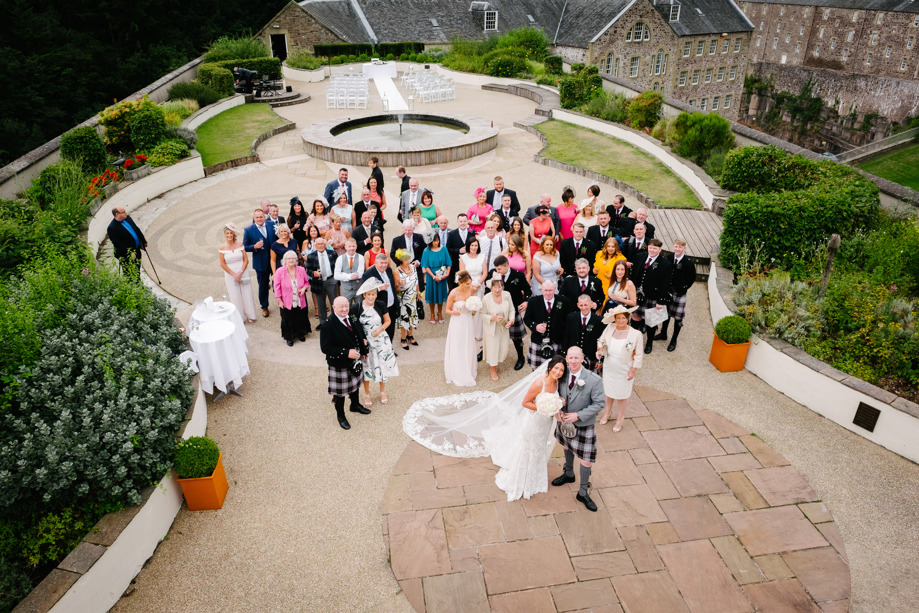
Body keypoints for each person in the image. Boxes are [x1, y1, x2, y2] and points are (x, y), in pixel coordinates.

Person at [402, 356, 565, 500]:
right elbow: (525, 403)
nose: (558, 372)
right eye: (556, 368)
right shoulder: (539, 383)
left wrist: (557, 407)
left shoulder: (557, 383)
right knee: (528, 447)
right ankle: (521, 479)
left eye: (561, 370)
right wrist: (543, 408)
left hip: (545, 425)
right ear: (550, 367)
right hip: (533, 422)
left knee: (539, 448)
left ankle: (535, 478)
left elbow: (554, 402)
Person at [551, 346, 606, 512]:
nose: (573, 361)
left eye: (577, 358)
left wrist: (579, 415)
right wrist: (557, 410)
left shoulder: (594, 379)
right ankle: (568, 473)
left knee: (586, 458)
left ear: (582, 359)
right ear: (566, 359)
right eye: (570, 358)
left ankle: (583, 492)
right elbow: (554, 394)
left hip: (583, 424)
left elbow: (599, 404)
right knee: (566, 446)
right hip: (564, 420)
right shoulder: (561, 374)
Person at [320, 297, 371, 430]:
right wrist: (346, 352)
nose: (344, 309)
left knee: (355, 383)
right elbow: (325, 348)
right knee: (340, 392)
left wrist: (364, 350)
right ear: (333, 307)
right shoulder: (328, 324)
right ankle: (341, 415)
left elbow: (359, 333)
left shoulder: (352, 317)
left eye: (346, 306)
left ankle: (354, 405)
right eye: (341, 307)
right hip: (339, 362)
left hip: (355, 359)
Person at [595, 305, 643, 430]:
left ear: (628, 318)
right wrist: (600, 349)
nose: (620, 321)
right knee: (609, 393)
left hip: (625, 369)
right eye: (618, 318)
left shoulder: (636, 334)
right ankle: (607, 413)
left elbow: (638, 354)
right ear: (615, 319)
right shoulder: (610, 327)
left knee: (622, 395)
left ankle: (620, 420)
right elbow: (601, 340)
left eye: (623, 318)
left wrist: (633, 370)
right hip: (610, 366)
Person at [354, 278, 398, 407]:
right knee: (367, 367)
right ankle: (367, 393)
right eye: (369, 294)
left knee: (382, 364)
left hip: (380, 339)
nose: (371, 297)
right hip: (366, 341)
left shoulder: (380, 304)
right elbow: (355, 324)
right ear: (364, 295)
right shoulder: (357, 307)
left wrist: (381, 328)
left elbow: (388, 321)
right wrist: (361, 338)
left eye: (373, 294)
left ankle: (382, 391)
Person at [488, 255, 531, 370]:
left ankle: (521, 357)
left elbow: (527, 289)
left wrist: (526, 301)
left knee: (516, 337)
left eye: (499, 269)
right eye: (496, 268)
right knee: (493, 333)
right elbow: (488, 290)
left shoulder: (518, 275)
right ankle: (486, 352)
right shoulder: (493, 273)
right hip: (497, 309)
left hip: (513, 310)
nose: (497, 271)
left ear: (507, 266)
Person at [630, 238, 672, 353]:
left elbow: (665, 284)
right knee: (635, 318)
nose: (652, 250)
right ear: (647, 247)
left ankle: (649, 342)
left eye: (655, 248)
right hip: (638, 294)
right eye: (650, 247)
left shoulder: (665, 264)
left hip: (653, 296)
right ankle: (633, 341)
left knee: (651, 322)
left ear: (660, 249)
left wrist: (661, 301)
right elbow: (634, 275)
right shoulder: (640, 257)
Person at [655, 239, 696, 352]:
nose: (677, 249)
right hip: (667, 291)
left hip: (679, 292)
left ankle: (674, 339)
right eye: (676, 246)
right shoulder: (668, 257)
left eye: (680, 247)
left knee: (678, 317)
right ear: (673, 247)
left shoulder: (688, 263)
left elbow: (692, 278)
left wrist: (684, 288)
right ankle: (663, 333)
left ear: (684, 248)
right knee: (666, 313)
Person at [444, 271, 478, 386]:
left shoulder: (471, 290)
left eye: (470, 283)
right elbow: (447, 310)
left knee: (467, 344)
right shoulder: (453, 293)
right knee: (458, 345)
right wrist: (453, 312)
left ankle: (468, 368)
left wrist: (474, 310)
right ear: (460, 282)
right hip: (457, 322)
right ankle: (457, 371)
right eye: (467, 284)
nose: (470, 286)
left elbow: (471, 306)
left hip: (468, 321)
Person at [523, 280, 568, 370]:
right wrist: (535, 326)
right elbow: (527, 319)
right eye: (545, 290)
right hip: (538, 340)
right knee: (536, 368)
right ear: (541, 290)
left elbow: (567, 321)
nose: (548, 293)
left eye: (550, 290)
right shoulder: (533, 301)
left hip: (556, 340)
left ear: (555, 289)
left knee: (555, 367)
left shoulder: (563, 301)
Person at [218, 222, 257, 323]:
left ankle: (250, 315)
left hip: (243, 271)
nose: (229, 235)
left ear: (234, 234)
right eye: (227, 233)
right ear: (225, 235)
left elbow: (246, 260)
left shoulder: (240, 244)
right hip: (230, 275)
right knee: (235, 295)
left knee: (247, 293)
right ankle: (240, 317)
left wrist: (240, 272)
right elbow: (222, 264)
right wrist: (233, 274)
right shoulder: (222, 247)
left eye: (231, 233)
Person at [243, 208, 277, 317]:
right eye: (257, 217)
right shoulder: (248, 230)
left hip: (274, 260)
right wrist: (254, 246)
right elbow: (244, 247)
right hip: (260, 263)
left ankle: (283, 302)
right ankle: (264, 306)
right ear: (254, 218)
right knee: (263, 285)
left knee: (278, 282)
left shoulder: (272, 225)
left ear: (264, 217)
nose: (259, 219)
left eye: (261, 217)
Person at [481, 275, 516, 381]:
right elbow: (481, 314)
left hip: (503, 327)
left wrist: (511, 320)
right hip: (492, 329)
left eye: (500, 287)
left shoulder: (507, 295)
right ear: (491, 288)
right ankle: (492, 368)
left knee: (502, 347)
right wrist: (492, 317)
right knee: (493, 349)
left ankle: (496, 363)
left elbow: (512, 309)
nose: (497, 290)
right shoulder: (486, 298)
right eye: (495, 287)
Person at [273, 250, 311, 346]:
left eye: (293, 258)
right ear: (285, 260)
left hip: (300, 299)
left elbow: (307, 283)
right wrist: (279, 300)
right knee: (288, 318)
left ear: (296, 259)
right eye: (288, 258)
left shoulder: (301, 269)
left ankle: (301, 334)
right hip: (286, 300)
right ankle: (289, 337)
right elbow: (276, 287)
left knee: (300, 316)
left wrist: (304, 289)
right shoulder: (279, 271)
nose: (291, 260)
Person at [361, 252, 399, 340]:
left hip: (391, 306)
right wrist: (378, 289)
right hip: (379, 308)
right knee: (380, 330)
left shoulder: (389, 270)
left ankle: (389, 349)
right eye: (381, 263)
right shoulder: (368, 274)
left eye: (385, 263)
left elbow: (392, 287)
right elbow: (363, 291)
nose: (384, 265)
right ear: (376, 263)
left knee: (391, 329)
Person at [563, 294, 605, 370]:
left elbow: (602, 341)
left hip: (591, 357)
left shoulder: (599, 320)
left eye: (586, 305)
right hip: (574, 357)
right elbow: (566, 337)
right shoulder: (571, 317)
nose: (584, 308)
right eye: (581, 305)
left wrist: (600, 360)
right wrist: (565, 355)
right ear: (578, 305)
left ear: (591, 304)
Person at [305, 236, 339, 328]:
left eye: (322, 244)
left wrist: (336, 279)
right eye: (318, 244)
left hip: (331, 280)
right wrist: (313, 273)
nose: (320, 246)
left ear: (325, 245)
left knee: (334, 303)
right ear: (315, 246)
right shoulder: (311, 256)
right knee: (321, 304)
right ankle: (323, 323)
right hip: (318, 282)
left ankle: (335, 322)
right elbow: (307, 270)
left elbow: (338, 267)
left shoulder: (332, 253)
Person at [107, 206, 147, 280]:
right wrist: (130, 252)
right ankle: (133, 288)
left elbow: (136, 229)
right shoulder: (112, 228)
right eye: (123, 212)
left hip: (136, 249)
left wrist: (143, 241)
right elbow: (118, 244)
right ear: (117, 214)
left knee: (137, 270)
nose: (126, 213)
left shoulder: (128, 218)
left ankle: (139, 285)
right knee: (129, 273)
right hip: (126, 254)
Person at [420, 233, 451, 324]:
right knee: (431, 294)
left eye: (437, 240)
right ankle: (432, 314)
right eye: (434, 241)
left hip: (442, 275)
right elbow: (426, 266)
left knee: (440, 294)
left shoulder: (444, 249)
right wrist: (433, 276)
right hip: (431, 276)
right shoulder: (426, 251)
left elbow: (449, 263)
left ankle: (440, 313)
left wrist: (447, 273)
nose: (436, 242)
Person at [394, 248, 419, 350]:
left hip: (412, 297)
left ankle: (410, 335)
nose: (408, 261)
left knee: (412, 316)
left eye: (409, 259)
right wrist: (399, 284)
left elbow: (416, 281)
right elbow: (395, 288)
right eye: (406, 260)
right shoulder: (396, 271)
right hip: (403, 298)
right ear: (400, 260)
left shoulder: (413, 267)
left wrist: (418, 293)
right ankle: (403, 338)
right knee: (404, 318)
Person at [594, 237, 627, 307]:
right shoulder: (600, 254)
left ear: (616, 247)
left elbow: (623, 274)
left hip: (612, 285)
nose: (610, 248)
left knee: (607, 307)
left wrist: (613, 275)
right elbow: (594, 271)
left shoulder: (620, 258)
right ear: (605, 247)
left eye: (613, 246)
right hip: (599, 283)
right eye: (608, 246)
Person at [446, 213, 476, 289]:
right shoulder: (452, 233)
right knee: (454, 285)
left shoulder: (472, 232)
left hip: (469, 263)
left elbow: (475, 246)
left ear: (467, 222)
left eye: (464, 221)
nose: (463, 223)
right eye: (461, 221)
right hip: (455, 263)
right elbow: (448, 249)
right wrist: (458, 250)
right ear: (457, 222)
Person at [334, 238, 365, 305]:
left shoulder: (361, 257)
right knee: (346, 309)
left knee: (360, 308)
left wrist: (343, 274)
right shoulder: (340, 259)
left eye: (353, 246)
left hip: (358, 289)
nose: (351, 248)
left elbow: (360, 274)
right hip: (346, 290)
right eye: (349, 246)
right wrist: (349, 276)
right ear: (345, 247)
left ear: (356, 247)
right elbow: (336, 275)